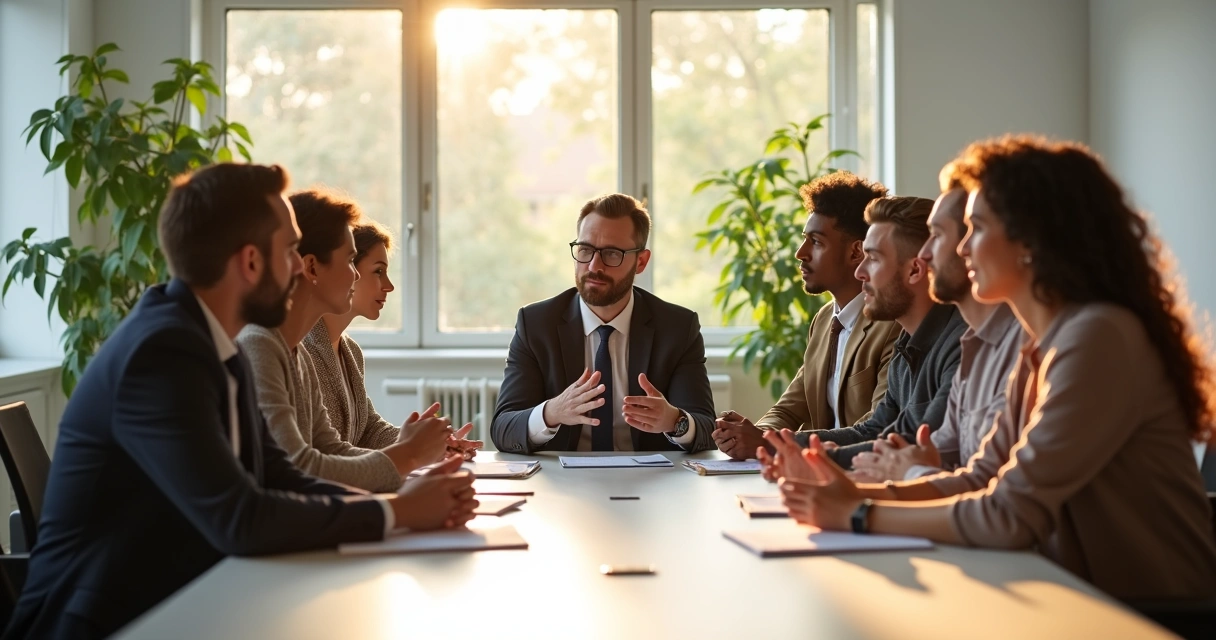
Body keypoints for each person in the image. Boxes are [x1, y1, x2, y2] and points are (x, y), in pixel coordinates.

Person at [2, 164, 477, 640]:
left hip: (184, 599)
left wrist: (401, 501)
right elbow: (240, 518)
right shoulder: (161, 353)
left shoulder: (212, 343)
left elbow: (281, 474)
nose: (300, 269)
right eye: (290, 251)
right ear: (250, 262)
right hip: (109, 623)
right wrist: (399, 512)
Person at [772, 136, 1216, 601]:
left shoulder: (1098, 336)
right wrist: (844, 492)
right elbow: (982, 478)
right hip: (1073, 596)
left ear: (1032, 240)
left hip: (1151, 616)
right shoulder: (1038, 344)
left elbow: (1008, 513)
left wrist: (859, 513)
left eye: (977, 229)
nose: (962, 249)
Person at [237, 189, 466, 492]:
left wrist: (414, 449)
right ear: (312, 267)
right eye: (349, 261)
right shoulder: (260, 344)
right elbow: (298, 467)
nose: (355, 276)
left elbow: (333, 449)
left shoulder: (296, 352)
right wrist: (408, 456)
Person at [491, 193, 716, 453]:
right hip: (563, 476)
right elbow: (503, 429)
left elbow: (707, 430)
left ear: (641, 261)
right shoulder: (537, 325)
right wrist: (551, 412)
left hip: (648, 475)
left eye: (611, 253)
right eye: (585, 250)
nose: (593, 266)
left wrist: (675, 421)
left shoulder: (677, 328)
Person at [767, 196, 967, 470]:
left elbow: (919, 446)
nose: (860, 272)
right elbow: (875, 431)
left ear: (914, 270)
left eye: (872, 258)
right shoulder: (907, 344)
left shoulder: (962, 345)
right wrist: (781, 446)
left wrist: (819, 459)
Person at [712, 172, 900, 460]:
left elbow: (876, 428)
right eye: (805, 240)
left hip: (858, 470)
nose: (801, 253)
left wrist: (768, 442)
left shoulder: (893, 325)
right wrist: (749, 436)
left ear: (855, 252)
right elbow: (789, 408)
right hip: (814, 470)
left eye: (816, 241)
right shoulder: (825, 320)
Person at [850, 178, 1023, 482]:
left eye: (938, 235)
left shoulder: (990, 343)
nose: (926, 254)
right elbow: (933, 453)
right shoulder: (974, 342)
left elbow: (991, 490)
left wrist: (860, 502)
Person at [301, 212, 482, 458]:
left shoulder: (351, 351)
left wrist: (427, 442)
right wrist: (410, 451)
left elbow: (368, 431)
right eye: (378, 271)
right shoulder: (301, 349)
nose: (389, 285)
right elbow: (323, 453)